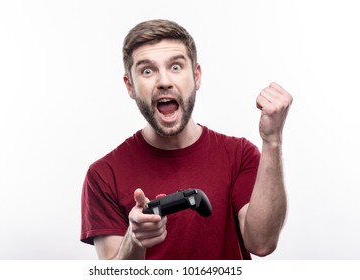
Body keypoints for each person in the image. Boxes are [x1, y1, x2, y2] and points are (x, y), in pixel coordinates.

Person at [81, 19, 293, 260]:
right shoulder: (103, 175)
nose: (163, 82)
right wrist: (135, 239)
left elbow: (262, 243)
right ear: (130, 86)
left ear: (196, 76)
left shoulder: (240, 155)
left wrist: (272, 140)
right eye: (147, 71)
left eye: (176, 67)